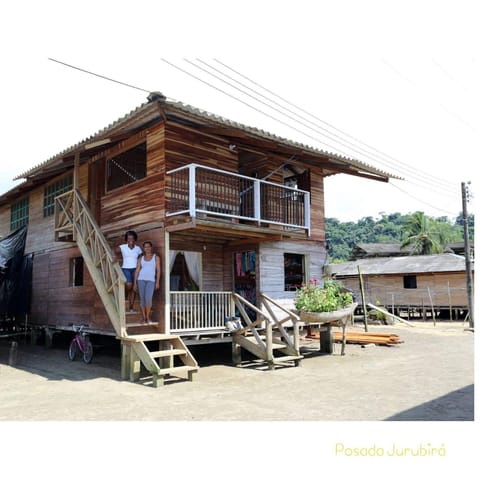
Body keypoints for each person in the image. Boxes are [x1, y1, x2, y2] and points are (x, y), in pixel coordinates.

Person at [133, 241, 161, 323]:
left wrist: (157, 282)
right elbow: (137, 271)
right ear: (144, 249)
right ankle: (144, 317)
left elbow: (158, 271)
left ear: (151, 247)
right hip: (141, 280)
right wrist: (135, 283)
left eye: (148, 246)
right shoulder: (141, 258)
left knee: (148, 298)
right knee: (142, 299)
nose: (147, 248)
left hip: (151, 281)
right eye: (145, 247)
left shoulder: (156, 257)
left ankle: (148, 317)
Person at [116, 230, 143, 311]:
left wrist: (140, 264)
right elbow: (114, 251)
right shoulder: (122, 247)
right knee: (129, 285)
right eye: (128, 238)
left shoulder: (138, 248)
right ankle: (125, 294)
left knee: (134, 288)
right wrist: (114, 257)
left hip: (135, 269)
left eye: (132, 238)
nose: (130, 240)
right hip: (126, 268)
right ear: (126, 239)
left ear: (135, 239)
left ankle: (131, 306)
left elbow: (141, 257)